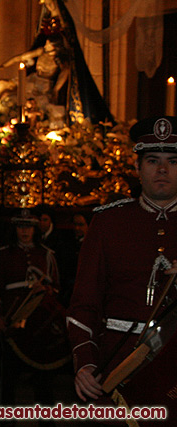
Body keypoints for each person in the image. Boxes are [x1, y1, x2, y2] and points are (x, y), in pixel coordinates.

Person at [68, 116, 177, 406]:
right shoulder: (109, 222)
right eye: (153, 160)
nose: (163, 169)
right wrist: (85, 362)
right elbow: (84, 304)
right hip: (118, 365)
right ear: (138, 167)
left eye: (173, 161)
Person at [0, 209, 65, 424]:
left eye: (29, 226)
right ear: (15, 229)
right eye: (20, 227)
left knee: (43, 378)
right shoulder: (3, 254)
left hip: (39, 325)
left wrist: (47, 291)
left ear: (35, 229)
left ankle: (47, 422)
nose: (24, 231)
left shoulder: (47, 255)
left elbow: (57, 288)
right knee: (8, 378)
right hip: (12, 321)